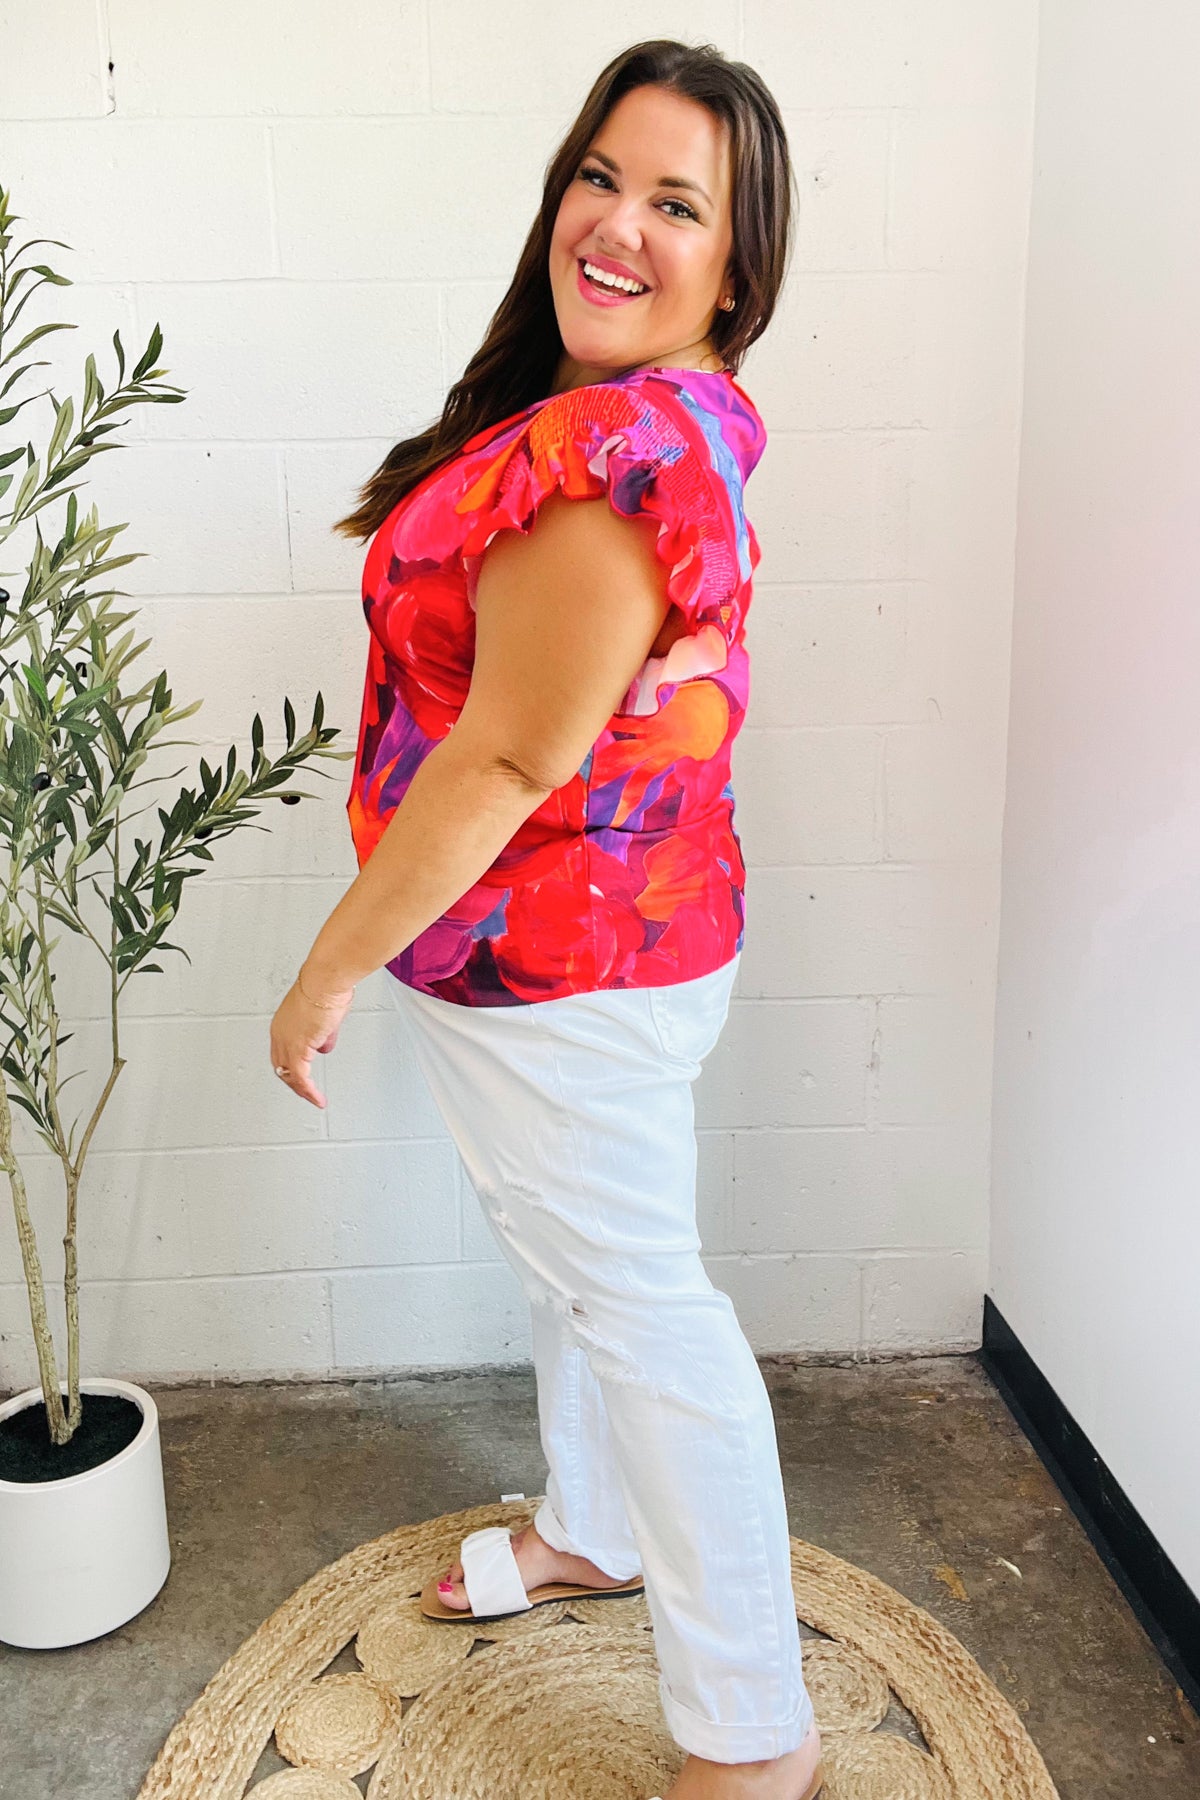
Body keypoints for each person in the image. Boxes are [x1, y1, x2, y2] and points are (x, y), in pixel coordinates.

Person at [268, 37, 821, 1800]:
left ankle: (755, 1740)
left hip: (565, 970)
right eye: (602, 176)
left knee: (644, 1311)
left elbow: (505, 757)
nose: (619, 225)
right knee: (580, 1272)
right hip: (613, 940)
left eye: (679, 204)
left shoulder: (609, 462)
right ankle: (595, 1530)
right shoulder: (643, 410)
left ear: (735, 265)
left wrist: (326, 965)